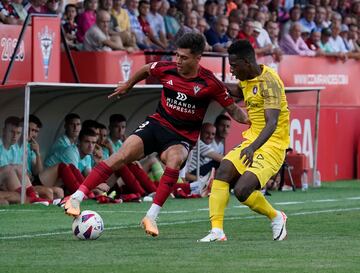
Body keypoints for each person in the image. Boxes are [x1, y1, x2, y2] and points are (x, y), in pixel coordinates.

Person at [63, 32, 249, 237]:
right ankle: (76, 198)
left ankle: (151, 216)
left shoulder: (210, 83)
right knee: (122, 155)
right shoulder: (167, 68)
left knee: (175, 159)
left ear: (197, 58)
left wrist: (253, 121)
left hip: (181, 137)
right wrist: (128, 85)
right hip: (157, 124)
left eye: (184, 57)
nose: (178, 61)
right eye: (177, 55)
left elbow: (234, 111)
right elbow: (145, 69)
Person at [198, 39, 289, 242]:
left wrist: (252, 148)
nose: (232, 70)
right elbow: (238, 91)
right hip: (252, 142)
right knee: (223, 171)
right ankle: (217, 231)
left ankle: (276, 217)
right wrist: (211, 82)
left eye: (234, 66)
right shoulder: (248, 79)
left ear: (247, 62)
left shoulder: (270, 82)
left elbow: (272, 123)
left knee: (242, 190)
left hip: (272, 145)